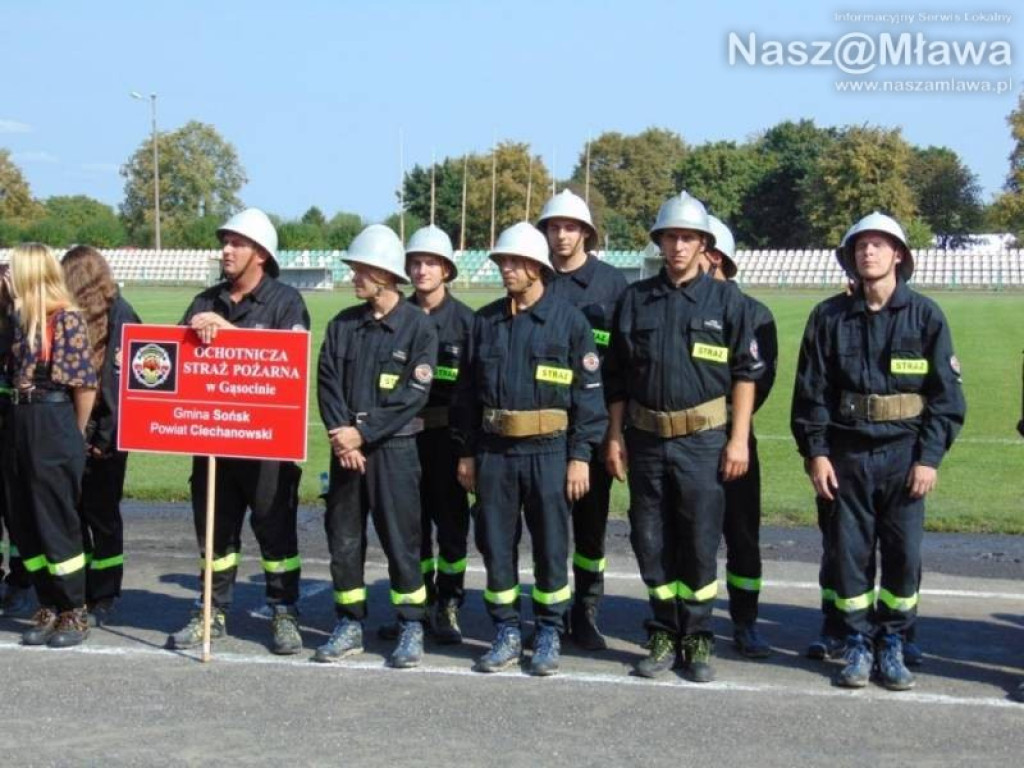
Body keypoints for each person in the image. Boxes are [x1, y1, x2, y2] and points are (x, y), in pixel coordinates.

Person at [791, 211, 966, 691]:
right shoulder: (828, 317)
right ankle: (857, 642)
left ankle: (894, 640)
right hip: (847, 454)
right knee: (850, 555)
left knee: (903, 554)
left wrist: (929, 458)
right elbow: (811, 393)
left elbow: (947, 399)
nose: (868, 252)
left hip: (905, 456)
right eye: (860, 246)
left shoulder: (926, 316)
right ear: (850, 257)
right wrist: (816, 453)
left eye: (879, 245)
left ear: (898, 255)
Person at [604, 192, 763, 683]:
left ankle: (696, 637)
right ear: (659, 242)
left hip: (703, 441)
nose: (677, 246)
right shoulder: (635, 299)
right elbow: (617, 377)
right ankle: (662, 632)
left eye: (687, 238)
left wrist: (738, 440)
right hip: (646, 440)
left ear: (703, 246)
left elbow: (746, 374)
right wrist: (614, 436)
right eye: (670, 237)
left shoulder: (728, 302)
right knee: (649, 539)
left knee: (698, 541)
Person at [453, 222, 607, 677]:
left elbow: (589, 398)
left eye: (515, 262)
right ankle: (505, 630)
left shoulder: (570, 322)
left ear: (537, 268)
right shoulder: (484, 323)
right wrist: (466, 452)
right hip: (494, 452)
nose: (506, 269)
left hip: (550, 452)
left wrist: (580, 456)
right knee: (496, 544)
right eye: (502, 261)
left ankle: (548, 630)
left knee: (551, 546)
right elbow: (465, 396)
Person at [171, 208, 310, 655]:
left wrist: (230, 334)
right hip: (214, 441)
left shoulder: (286, 302)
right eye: (224, 242)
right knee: (215, 534)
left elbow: (290, 363)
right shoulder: (204, 301)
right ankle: (211, 609)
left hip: (267, 445)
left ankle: (283, 610)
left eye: (237, 243)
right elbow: (173, 362)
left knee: (276, 532)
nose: (226, 250)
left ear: (261, 254)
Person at [315, 224, 437, 669]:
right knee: (344, 540)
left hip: (395, 452)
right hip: (345, 451)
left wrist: (362, 433)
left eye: (360, 270)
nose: (353, 277)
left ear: (383, 275)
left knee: (402, 541)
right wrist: (342, 434)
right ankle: (349, 623)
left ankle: (410, 624)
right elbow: (327, 383)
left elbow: (412, 396)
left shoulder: (418, 328)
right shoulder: (343, 325)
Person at [536, 189, 627, 650]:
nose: (561, 235)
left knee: (591, 527)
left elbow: (624, 367)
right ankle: (549, 615)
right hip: (542, 428)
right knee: (547, 526)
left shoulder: (612, 285)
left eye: (570, 227)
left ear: (586, 233)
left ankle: (587, 610)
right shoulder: (535, 277)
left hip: (593, 425)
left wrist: (614, 435)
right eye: (554, 227)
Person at [2, 243, 98, 647]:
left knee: (55, 521)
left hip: (51, 419)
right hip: (18, 420)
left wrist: (72, 434)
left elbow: (84, 385)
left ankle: (73, 609)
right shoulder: (19, 319)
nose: (6, 274)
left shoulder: (66, 319)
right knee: (23, 519)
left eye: (12, 268)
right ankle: (47, 602)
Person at [703, 215, 778, 659]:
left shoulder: (755, 314)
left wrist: (730, 427)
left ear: (714, 256)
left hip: (734, 437)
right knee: (688, 536)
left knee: (742, 536)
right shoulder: (679, 304)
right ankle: (687, 622)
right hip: (685, 441)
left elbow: (759, 383)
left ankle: (745, 621)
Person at [60, 246, 142, 627]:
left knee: (103, 515)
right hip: (78, 431)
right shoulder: (71, 315)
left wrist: (105, 437)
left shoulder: (121, 314)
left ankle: (106, 591)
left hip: (106, 436)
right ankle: (83, 587)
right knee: (75, 512)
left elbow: (120, 384)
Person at [404, 224, 474, 644]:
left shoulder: (467, 322)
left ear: (446, 269)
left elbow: (475, 392)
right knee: (411, 528)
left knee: (451, 527)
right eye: (415, 262)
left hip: (448, 439)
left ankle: (448, 602)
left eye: (431, 262)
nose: (422, 270)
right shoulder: (397, 315)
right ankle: (420, 603)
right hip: (403, 439)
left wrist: (469, 451)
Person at [0, 263, 34, 617]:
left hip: (15, 427)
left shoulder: (23, 323)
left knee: (17, 511)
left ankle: (21, 581)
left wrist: (17, 305)